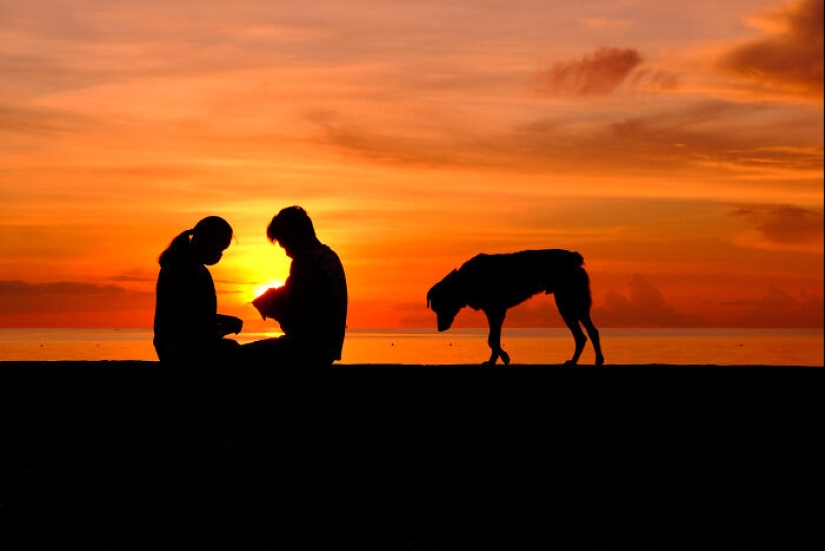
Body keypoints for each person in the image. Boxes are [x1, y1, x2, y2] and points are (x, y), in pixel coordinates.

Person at [242, 206, 347, 370]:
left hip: (307, 351)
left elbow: (297, 319)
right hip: (327, 350)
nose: (287, 253)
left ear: (294, 235)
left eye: (285, 245)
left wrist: (271, 307)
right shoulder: (328, 256)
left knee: (238, 357)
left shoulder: (305, 261)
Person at [153, 216, 243, 365]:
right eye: (218, 248)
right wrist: (221, 321)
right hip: (176, 348)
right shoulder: (179, 268)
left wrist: (219, 325)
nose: (219, 254)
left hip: (181, 345)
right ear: (204, 241)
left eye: (223, 250)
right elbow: (184, 318)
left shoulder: (198, 269)